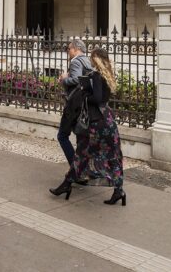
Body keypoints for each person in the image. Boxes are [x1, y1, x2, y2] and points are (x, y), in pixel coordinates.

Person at [49, 48, 126, 206]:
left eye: (92, 58)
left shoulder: (97, 75)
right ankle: (119, 190)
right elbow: (103, 98)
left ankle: (66, 185)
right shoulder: (108, 75)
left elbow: (96, 98)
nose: (90, 60)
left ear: (96, 59)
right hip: (108, 120)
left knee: (82, 154)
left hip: (95, 124)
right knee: (112, 156)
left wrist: (84, 93)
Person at [56, 39, 92, 166]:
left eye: (69, 49)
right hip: (83, 105)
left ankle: (75, 167)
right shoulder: (87, 60)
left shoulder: (76, 61)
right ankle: (82, 167)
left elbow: (77, 79)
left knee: (62, 135)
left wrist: (64, 79)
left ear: (76, 49)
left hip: (73, 104)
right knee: (80, 137)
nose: (68, 51)